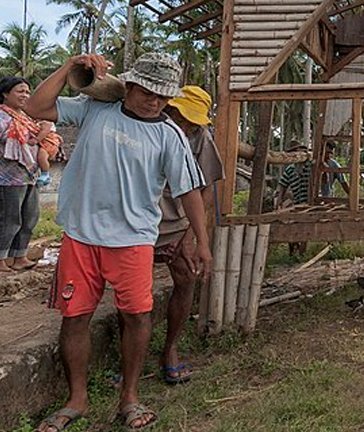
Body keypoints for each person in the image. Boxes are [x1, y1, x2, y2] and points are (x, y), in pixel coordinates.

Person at [26, 53, 211, 432]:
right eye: (147, 91)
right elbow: (36, 106)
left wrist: (202, 243)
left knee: (137, 316)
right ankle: (77, 398)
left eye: (162, 96)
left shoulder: (169, 135)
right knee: (75, 318)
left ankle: (129, 396)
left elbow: (190, 191)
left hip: (133, 240)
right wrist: (69, 67)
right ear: (130, 85)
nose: (154, 101)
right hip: (81, 234)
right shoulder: (95, 109)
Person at [154, 85, 225, 384]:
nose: (184, 124)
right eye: (181, 116)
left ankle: (170, 348)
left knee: (185, 280)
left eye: (191, 120)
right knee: (132, 293)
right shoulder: (150, 126)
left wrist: (193, 235)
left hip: (177, 223)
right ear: (170, 108)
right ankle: (130, 352)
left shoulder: (200, 137)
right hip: (139, 222)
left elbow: (207, 188)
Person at [0, 76, 46, 272]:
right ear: (5, 94)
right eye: (20, 91)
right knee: (7, 219)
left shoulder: (26, 118)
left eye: (27, 91)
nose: (25, 95)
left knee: (29, 218)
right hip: (6, 179)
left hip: (29, 176)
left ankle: (19, 256)